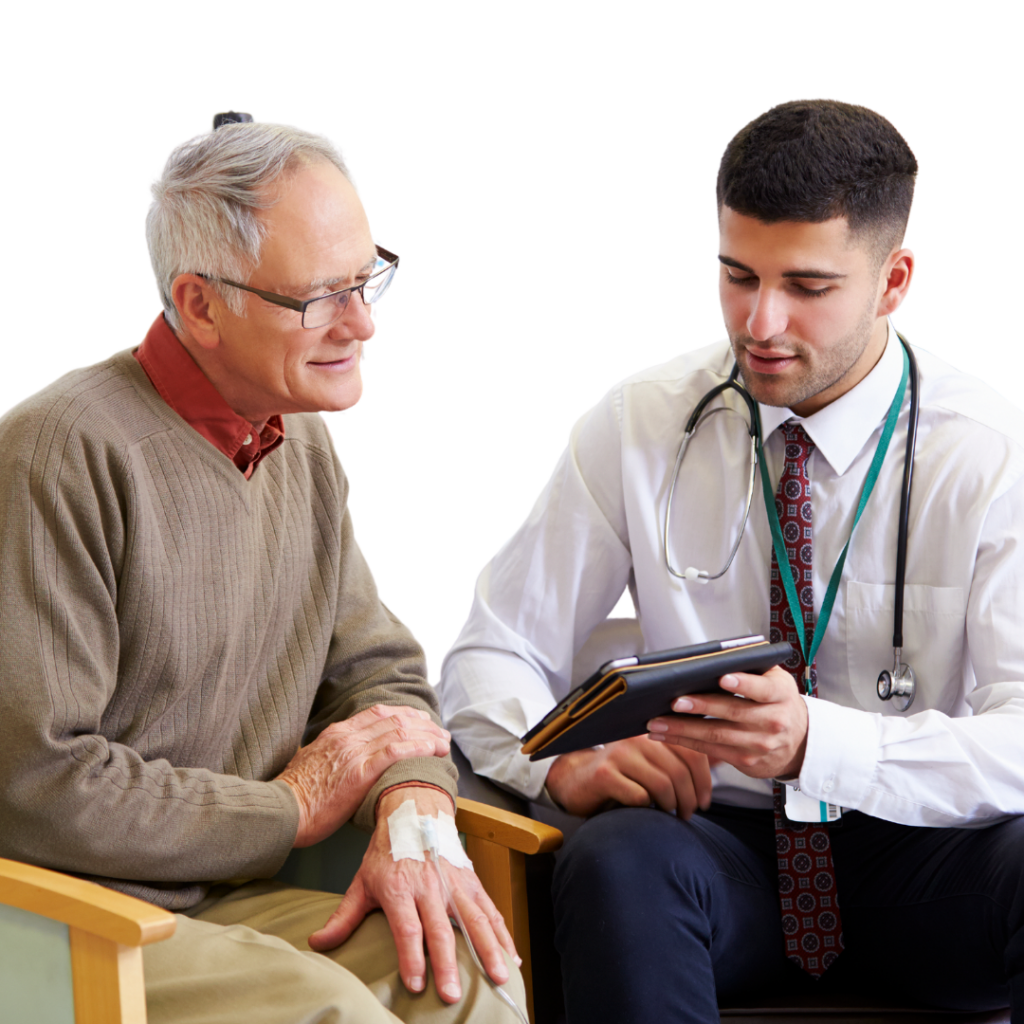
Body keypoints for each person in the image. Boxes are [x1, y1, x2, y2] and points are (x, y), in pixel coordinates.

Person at [438, 99, 1024, 1023]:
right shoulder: (641, 423)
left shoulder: (987, 453)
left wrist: (821, 746)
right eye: (736, 274)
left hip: (920, 853)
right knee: (613, 859)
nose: (760, 321)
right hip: (720, 848)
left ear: (894, 279)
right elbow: (490, 652)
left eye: (808, 285)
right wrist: (551, 763)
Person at [0, 119, 524, 1024]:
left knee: (466, 976)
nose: (362, 323)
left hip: (237, 894)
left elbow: (379, 679)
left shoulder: (298, 441)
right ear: (200, 304)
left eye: (365, 281)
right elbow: (40, 787)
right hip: (77, 918)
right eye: (321, 297)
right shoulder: (61, 454)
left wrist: (412, 809)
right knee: (336, 1013)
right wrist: (289, 809)